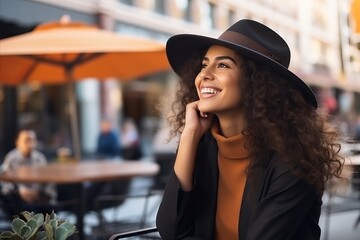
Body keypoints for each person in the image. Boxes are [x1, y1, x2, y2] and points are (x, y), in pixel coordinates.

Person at [156, 19, 344, 240]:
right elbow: (170, 230)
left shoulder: (295, 159)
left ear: (257, 83)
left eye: (223, 65)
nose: (204, 75)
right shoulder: (201, 144)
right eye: (204, 64)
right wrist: (189, 135)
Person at [0, 129, 56, 216]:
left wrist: (38, 193)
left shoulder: (40, 158)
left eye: (32, 140)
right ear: (17, 142)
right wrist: (19, 191)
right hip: (18, 199)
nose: (30, 143)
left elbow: (48, 180)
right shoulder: (11, 158)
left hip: (38, 198)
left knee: (52, 208)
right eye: (26, 140)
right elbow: (4, 182)